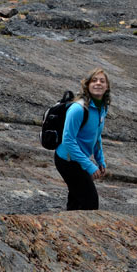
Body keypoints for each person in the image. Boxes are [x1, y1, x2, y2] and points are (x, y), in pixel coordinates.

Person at [54, 68, 110, 210]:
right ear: (87, 85)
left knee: (77, 199)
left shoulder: (102, 107)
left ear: (107, 86)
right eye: (94, 80)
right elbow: (68, 140)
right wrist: (90, 166)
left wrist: (100, 160)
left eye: (102, 81)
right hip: (67, 160)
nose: (98, 83)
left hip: (79, 159)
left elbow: (96, 136)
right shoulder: (78, 109)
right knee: (90, 204)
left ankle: (67, 226)